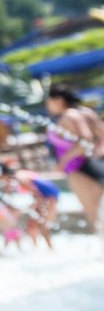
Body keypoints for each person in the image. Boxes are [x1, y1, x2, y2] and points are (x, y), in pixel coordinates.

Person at [45, 83, 104, 230]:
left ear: (58, 100)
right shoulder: (86, 112)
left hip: (79, 167)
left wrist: (63, 162)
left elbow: (86, 139)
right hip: (95, 162)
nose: (47, 106)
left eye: (48, 102)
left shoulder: (69, 115)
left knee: (94, 214)